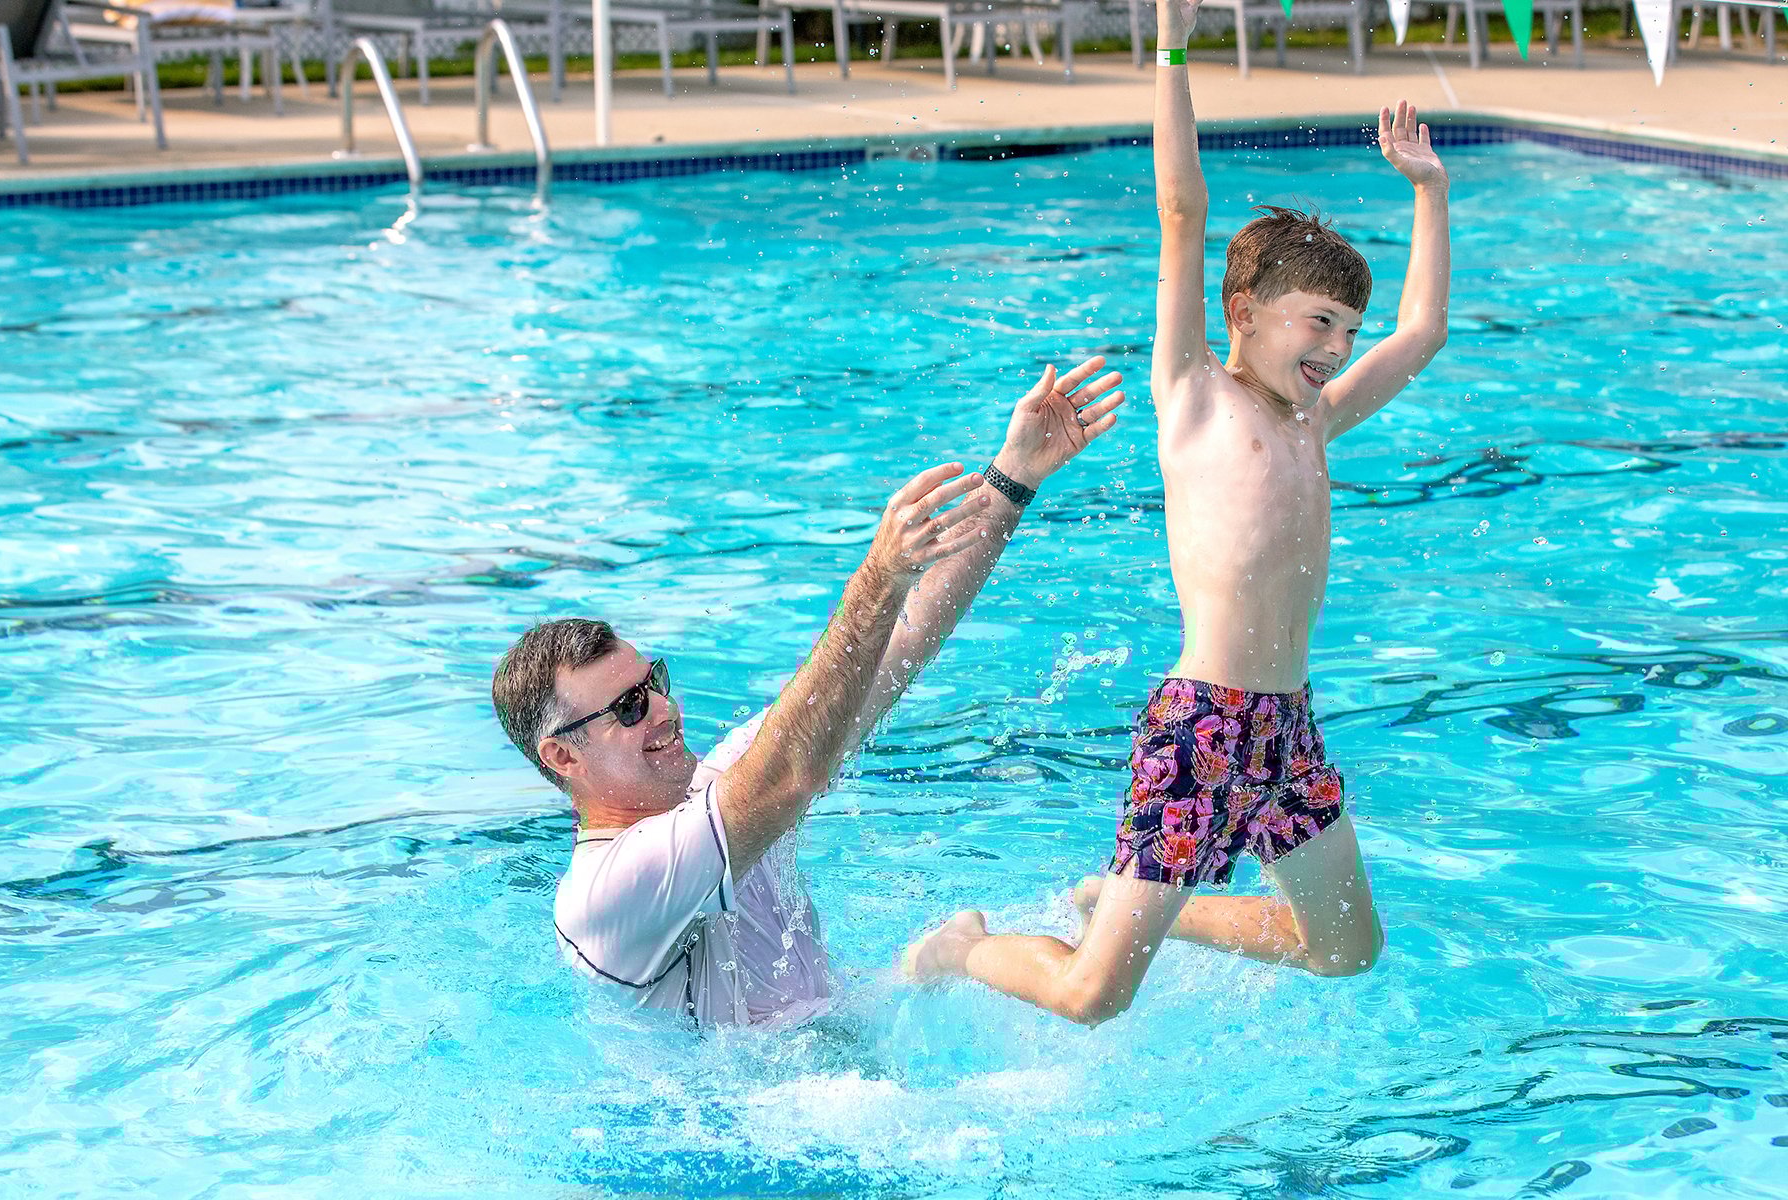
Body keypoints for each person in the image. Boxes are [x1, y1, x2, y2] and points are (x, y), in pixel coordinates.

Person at [899, 0, 1453, 1025]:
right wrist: (1171, 42)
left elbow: (1422, 332)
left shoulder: (1315, 420)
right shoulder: (1194, 395)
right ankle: (962, 949)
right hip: (1202, 721)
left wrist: (1430, 190)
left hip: (1287, 727)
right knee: (1091, 995)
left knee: (1345, 952)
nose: (1339, 346)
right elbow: (1181, 209)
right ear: (1243, 314)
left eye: (1348, 328)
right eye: (1320, 321)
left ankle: (1142, 905)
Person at [491, 359, 1124, 1027]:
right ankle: (940, 957)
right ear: (563, 756)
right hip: (738, 1097)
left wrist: (1013, 476)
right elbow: (787, 776)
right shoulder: (605, 897)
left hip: (832, 1041)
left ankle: (932, 961)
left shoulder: (720, 783)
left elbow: (898, 644)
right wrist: (880, 574)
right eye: (628, 708)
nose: (665, 711)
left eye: (654, 683)